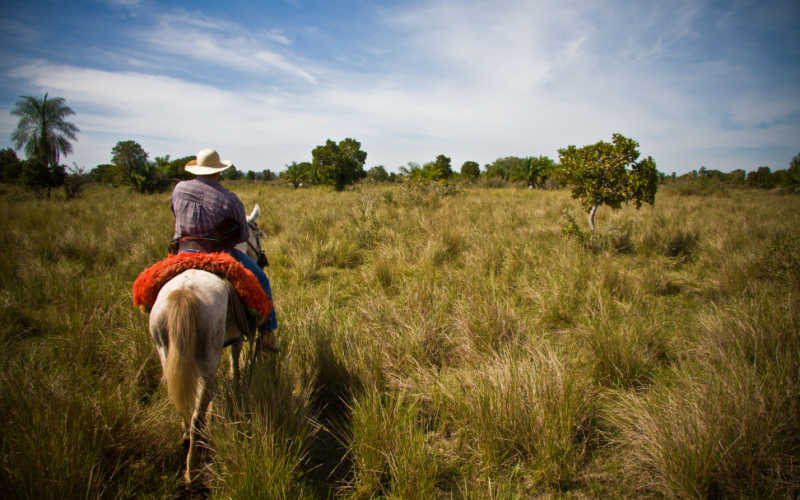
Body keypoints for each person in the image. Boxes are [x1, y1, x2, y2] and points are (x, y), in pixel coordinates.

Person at [170, 148, 279, 352]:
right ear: (219, 172)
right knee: (262, 281)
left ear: (197, 169)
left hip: (182, 253)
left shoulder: (179, 190)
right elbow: (242, 236)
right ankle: (267, 334)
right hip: (218, 254)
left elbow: (175, 214)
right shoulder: (229, 198)